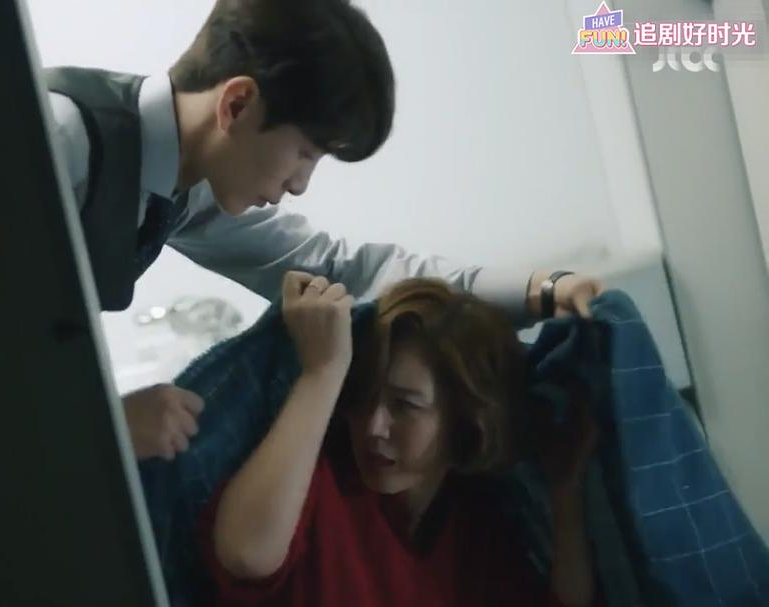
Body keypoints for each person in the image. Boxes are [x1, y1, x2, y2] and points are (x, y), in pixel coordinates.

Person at [43, 0, 604, 461]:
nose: (299, 185)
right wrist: (107, 424)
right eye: (305, 153)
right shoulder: (59, 138)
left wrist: (542, 291)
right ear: (237, 104)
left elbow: (338, 272)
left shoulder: (189, 190)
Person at [198, 272, 599, 606]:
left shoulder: (476, 533)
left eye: (405, 406)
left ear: (463, 419)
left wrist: (566, 494)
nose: (373, 426)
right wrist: (321, 373)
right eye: (362, 396)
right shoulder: (318, 485)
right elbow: (245, 556)